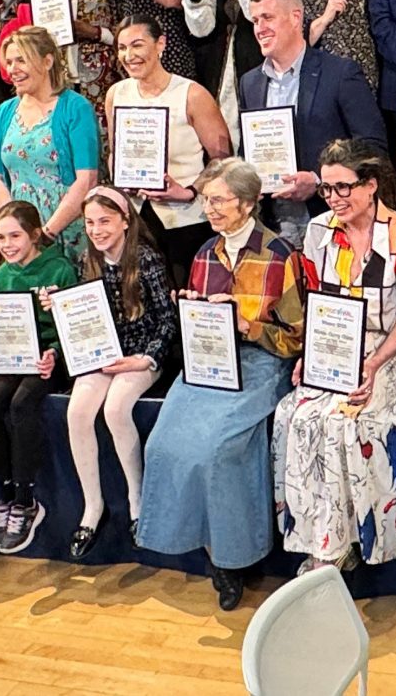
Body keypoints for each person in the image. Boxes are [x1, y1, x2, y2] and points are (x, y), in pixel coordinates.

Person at [136, 158, 306, 611]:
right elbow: (197, 329)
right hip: (211, 363)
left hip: (261, 362)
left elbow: (294, 338)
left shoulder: (279, 255)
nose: (209, 208)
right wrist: (192, 310)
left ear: (248, 203)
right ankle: (203, 544)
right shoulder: (205, 254)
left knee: (219, 449)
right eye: (207, 199)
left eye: (218, 200)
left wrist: (247, 325)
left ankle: (231, 560)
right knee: (163, 443)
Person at [273, 139, 396, 570]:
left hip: (393, 346)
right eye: (327, 189)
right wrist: (311, 352)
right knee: (298, 416)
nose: (335, 198)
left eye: (344, 187)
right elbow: (317, 302)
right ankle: (321, 540)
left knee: (348, 421)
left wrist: (375, 365)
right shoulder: (318, 231)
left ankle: (353, 542)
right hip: (338, 344)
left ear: (371, 186)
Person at [62, 187, 177, 559]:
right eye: (90, 222)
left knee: (115, 409)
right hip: (103, 355)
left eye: (105, 221)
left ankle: (136, 500)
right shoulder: (87, 261)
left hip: (141, 355)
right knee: (77, 412)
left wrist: (146, 360)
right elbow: (85, 318)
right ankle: (92, 506)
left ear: (126, 221)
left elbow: (167, 320)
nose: (97, 230)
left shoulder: (146, 259)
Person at [238, 0, 388, 245]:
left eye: (268, 18)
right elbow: (247, 152)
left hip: (334, 222)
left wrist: (320, 181)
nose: (260, 28)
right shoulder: (249, 83)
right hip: (271, 227)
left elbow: (373, 147)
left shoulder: (340, 73)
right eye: (255, 20)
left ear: (296, 18)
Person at [0, 200, 77, 555]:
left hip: (50, 357)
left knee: (21, 403)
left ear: (35, 234)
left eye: (15, 235)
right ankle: (4, 497)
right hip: (15, 358)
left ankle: (25, 499)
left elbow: (74, 326)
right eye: (0, 237)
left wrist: (55, 355)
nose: (7, 244)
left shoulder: (60, 270)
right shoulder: (1, 276)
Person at [105, 15, 230, 286]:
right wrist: (122, 176)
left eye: (137, 45)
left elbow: (222, 159)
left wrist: (189, 191)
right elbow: (116, 151)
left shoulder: (192, 94)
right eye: (122, 47)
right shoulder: (116, 93)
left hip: (185, 220)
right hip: (137, 219)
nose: (129, 55)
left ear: (160, 44)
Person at [0, 25, 102, 255]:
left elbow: (87, 178)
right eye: (9, 62)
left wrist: (46, 233)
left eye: (21, 60)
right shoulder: (5, 111)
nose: (13, 70)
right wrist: (17, 228)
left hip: (67, 231)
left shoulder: (75, 107)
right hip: (22, 237)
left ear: (47, 61)